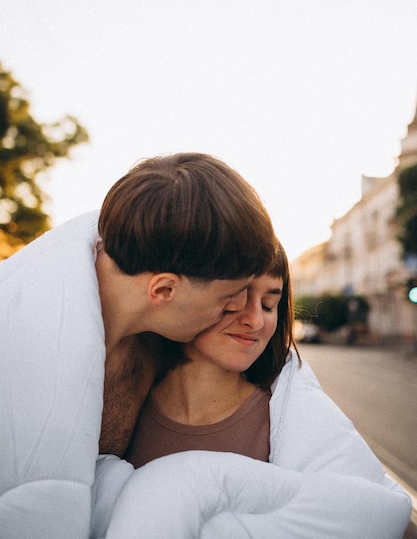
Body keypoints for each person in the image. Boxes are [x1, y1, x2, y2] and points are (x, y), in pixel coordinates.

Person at [0, 152, 277, 539]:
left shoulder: (163, 336)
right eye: (229, 295)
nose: (236, 308)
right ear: (163, 289)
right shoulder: (13, 346)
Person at [98, 238, 411, 538]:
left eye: (269, 304)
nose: (256, 320)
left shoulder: (282, 421)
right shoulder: (117, 409)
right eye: (237, 296)